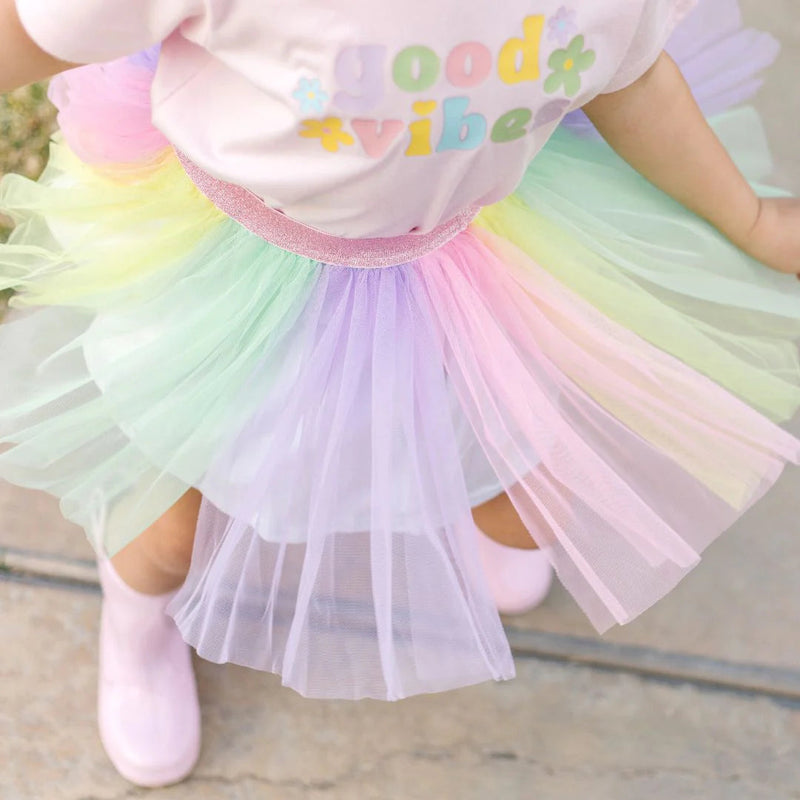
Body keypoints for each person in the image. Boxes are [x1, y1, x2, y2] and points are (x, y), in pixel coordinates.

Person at [1, 0, 798, 788]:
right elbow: (26, 32)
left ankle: (465, 504)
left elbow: (630, 78)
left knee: (515, 489)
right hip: (235, 263)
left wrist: (753, 218)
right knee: (175, 522)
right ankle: (139, 617)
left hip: (465, 253)